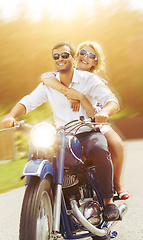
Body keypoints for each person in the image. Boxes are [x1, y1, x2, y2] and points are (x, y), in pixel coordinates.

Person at [2, 41, 120, 221]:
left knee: (100, 149)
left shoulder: (88, 79)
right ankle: (47, 199)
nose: (60, 59)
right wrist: (11, 116)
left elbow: (111, 101)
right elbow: (28, 102)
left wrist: (104, 112)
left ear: (73, 58)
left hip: (86, 131)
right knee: (42, 152)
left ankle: (109, 201)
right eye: (56, 56)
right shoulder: (49, 84)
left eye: (65, 55)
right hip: (61, 135)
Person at [41, 41, 129, 200]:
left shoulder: (97, 81)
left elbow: (101, 108)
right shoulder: (62, 74)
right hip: (70, 123)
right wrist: (69, 92)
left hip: (94, 121)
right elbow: (45, 78)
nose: (85, 56)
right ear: (75, 56)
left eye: (91, 55)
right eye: (82, 52)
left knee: (116, 145)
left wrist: (80, 98)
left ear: (95, 61)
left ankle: (116, 184)